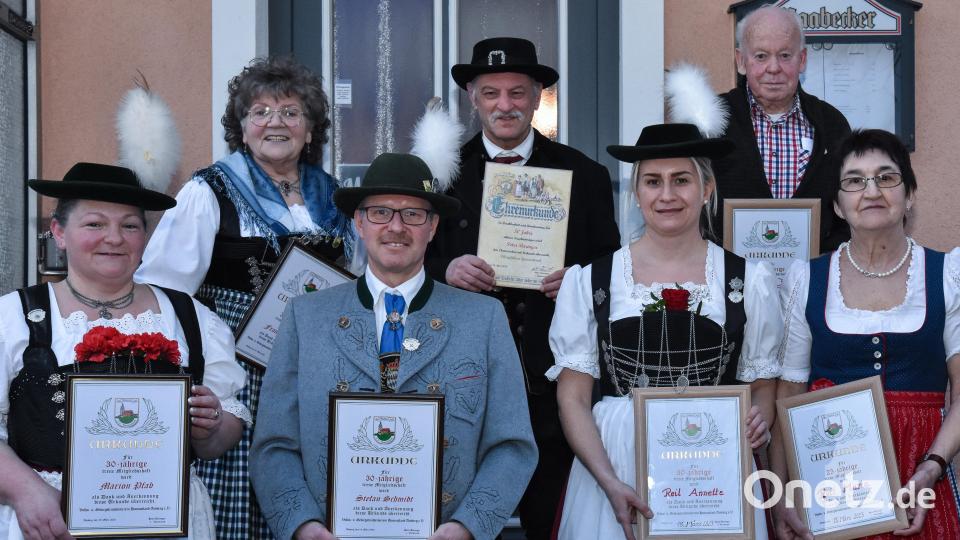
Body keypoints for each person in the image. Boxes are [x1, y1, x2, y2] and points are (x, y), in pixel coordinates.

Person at [250, 152, 537, 540]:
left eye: (413, 214)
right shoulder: (306, 317)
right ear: (359, 222)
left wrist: (466, 527)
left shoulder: (483, 319)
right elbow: (274, 445)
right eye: (380, 212)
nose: (396, 227)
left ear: (433, 227)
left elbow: (512, 445)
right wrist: (303, 527)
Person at [136, 56, 354, 539]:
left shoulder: (334, 198)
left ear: (311, 127)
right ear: (242, 126)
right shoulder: (209, 190)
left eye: (291, 112)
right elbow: (165, 296)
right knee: (242, 494)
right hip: (238, 365)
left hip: (315, 367)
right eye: (260, 112)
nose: (275, 123)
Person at [426, 36, 621, 538]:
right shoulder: (439, 176)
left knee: (547, 514)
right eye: (491, 93)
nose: (504, 106)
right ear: (472, 97)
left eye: (517, 92)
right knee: (460, 516)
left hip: (551, 379)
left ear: (539, 96)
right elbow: (405, 259)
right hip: (463, 373)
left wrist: (578, 281)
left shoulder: (586, 174)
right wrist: (444, 272)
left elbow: (612, 269)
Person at [549, 124, 782, 540]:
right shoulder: (591, 281)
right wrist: (609, 481)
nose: (667, 195)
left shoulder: (749, 280)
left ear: (707, 188)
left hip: (713, 470)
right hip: (615, 465)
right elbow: (572, 398)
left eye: (682, 180)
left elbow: (763, 384)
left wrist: (758, 419)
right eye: (653, 182)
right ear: (636, 193)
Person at [0, 162, 249, 540]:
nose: (114, 238)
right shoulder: (13, 318)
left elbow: (219, 437)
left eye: (130, 226)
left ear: (146, 236)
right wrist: (26, 491)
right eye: (95, 224)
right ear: (59, 233)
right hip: (53, 521)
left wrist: (211, 427)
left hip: (166, 521)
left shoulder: (192, 318)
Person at [774, 129, 960, 540]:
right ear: (838, 205)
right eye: (854, 180)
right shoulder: (806, 279)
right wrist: (782, 492)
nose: (871, 190)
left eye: (887, 177)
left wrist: (932, 467)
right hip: (829, 483)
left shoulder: (947, 275)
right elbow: (788, 396)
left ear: (909, 195)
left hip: (920, 476)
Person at [712, 5, 852, 251]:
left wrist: (821, 264)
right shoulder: (713, 120)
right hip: (730, 280)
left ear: (803, 60)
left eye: (785, 55)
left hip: (812, 278)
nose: (774, 68)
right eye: (761, 56)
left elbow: (849, 208)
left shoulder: (832, 124)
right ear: (741, 61)